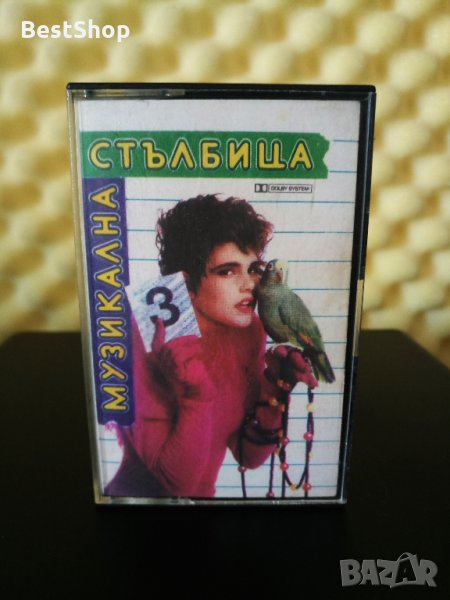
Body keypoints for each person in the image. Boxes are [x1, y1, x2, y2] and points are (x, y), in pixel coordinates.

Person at [106, 194, 316, 498]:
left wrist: (274, 386)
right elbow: (178, 486)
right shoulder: (138, 333)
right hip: (137, 511)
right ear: (187, 282)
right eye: (227, 271)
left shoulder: (248, 331)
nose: (249, 284)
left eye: (253, 268)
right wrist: (197, 396)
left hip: (206, 513)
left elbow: (248, 456)